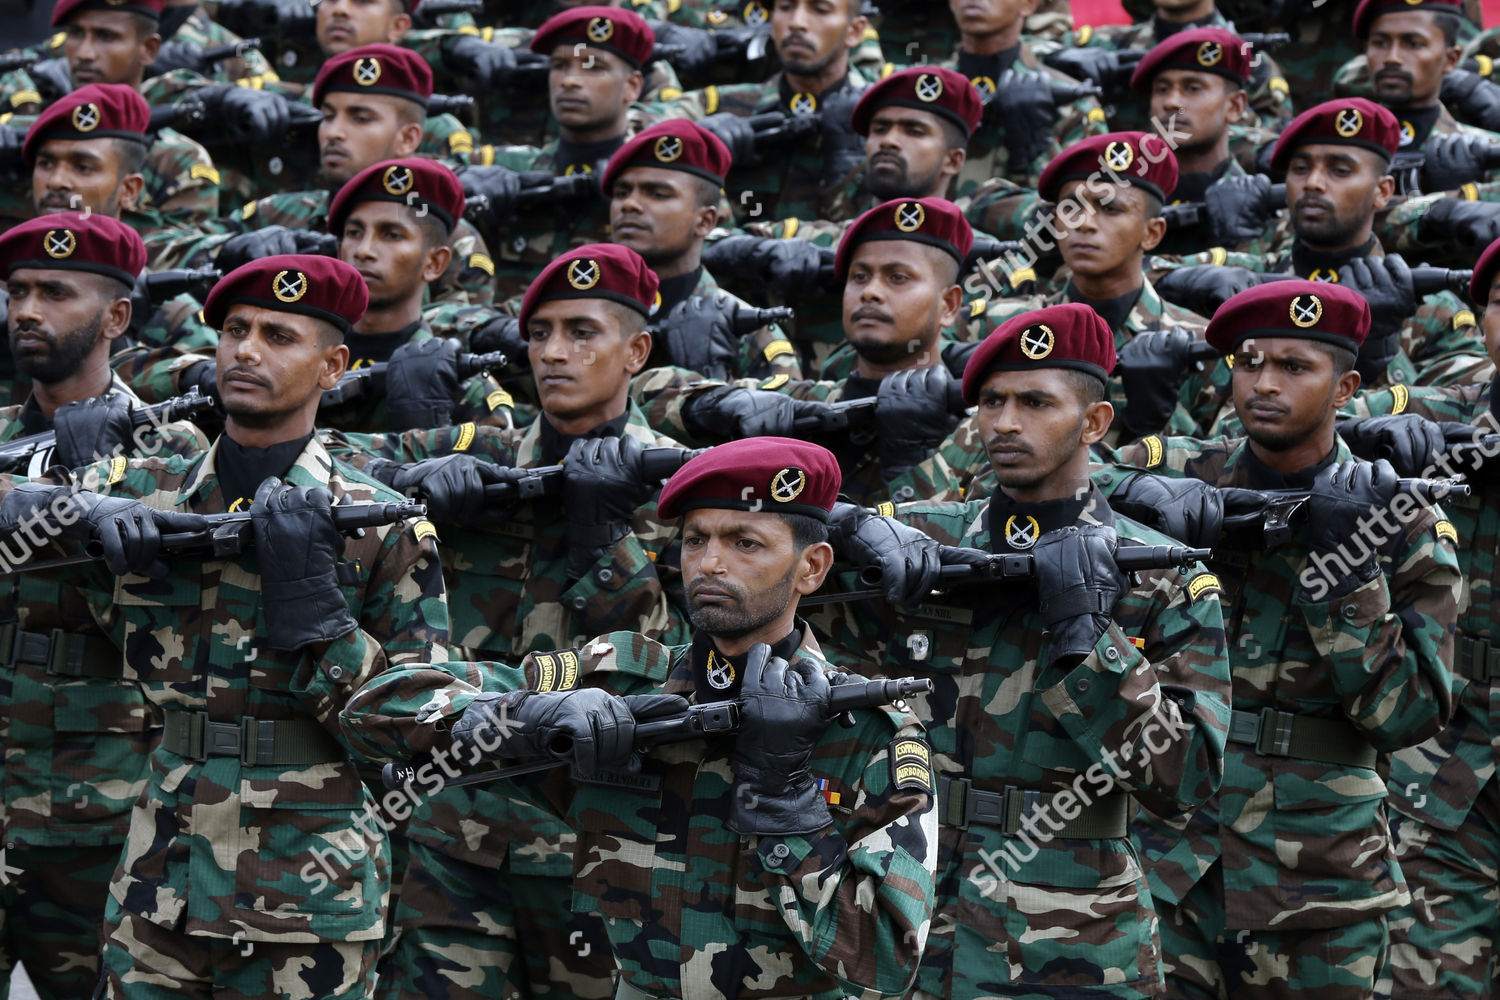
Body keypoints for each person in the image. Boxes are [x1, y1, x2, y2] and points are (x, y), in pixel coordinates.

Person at [0, 252, 452, 998]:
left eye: (279, 336)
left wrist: (323, 624)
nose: (245, 350)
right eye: (235, 330)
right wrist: (76, 499)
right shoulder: (154, 490)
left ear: (334, 366)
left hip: (309, 892)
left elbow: (420, 723)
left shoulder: (377, 523)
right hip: (161, 874)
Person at [344, 435, 940, 1000]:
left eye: (745, 543)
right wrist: (530, 715)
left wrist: (785, 802)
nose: (709, 563)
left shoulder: (866, 729)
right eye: (695, 539)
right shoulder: (624, 675)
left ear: (811, 568)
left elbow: (887, 962)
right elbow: (379, 705)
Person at [808, 301, 1232, 1000]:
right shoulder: (923, 543)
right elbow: (745, 574)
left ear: (1094, 423)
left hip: (1071, 925)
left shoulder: (1159, 574)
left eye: (1035, 402)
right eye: (993, 402)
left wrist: (1088, 638)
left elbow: (1184, 782)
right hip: (906, 895)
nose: (1004, 423)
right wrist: (846, 522)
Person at [334, 242, 692, 1000]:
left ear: (635, 351)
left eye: (582, 332)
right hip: (453, 830)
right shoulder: (487, 455)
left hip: (600, 839)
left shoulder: (681, 487)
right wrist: (414, 473)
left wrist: (606, 543)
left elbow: (677, 659)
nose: (554, 353)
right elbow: (315, 458)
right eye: (540, 334)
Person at [1110, 279, 1461, 1000]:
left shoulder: (1400, 519)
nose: (1264, 383)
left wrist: (1348, 574)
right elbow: (1030, 489)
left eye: (1294, 367)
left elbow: (1408, 716)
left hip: (1321, 878)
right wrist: (1131, 500)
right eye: (1249, 362)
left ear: (1347, 388)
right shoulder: (1175, 470)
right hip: (1172, 860)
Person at [0, 213, 206, 1000]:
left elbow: (183, 616)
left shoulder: (180, 454)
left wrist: (96, 484)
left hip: (103, 816)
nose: (27, 309)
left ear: (117, 316)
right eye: (18, 290)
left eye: (55, 292)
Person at [632, 196, 974, 504]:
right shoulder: (805, 400)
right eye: (858, 277)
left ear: (948, 305)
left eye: (897, 278)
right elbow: (644, 393)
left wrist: (912, 463)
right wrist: (714, 404)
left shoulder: (978, 434)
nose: (870, 292)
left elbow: (944, 556)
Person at [144, 43, 495, 312]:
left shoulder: (450, 235)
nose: (333, 133)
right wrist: (227, 251)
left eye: (360, 118)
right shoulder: (277, 213)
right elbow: (149, 253)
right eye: (328, 116)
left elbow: (459, 330)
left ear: (408, 138)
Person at [604, 119, 802, 380]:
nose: (629, 205)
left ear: (705, 221)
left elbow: (778, 415)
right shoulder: (580, 312)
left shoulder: (747, 330)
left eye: (657, 194)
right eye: (622, 192)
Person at [0, 0, 222, 231]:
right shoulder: (20, 120)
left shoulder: (176, 158)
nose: (84, 53)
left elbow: (177, 251)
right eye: (75, 33)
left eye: (106, 36)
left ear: (148, 49)